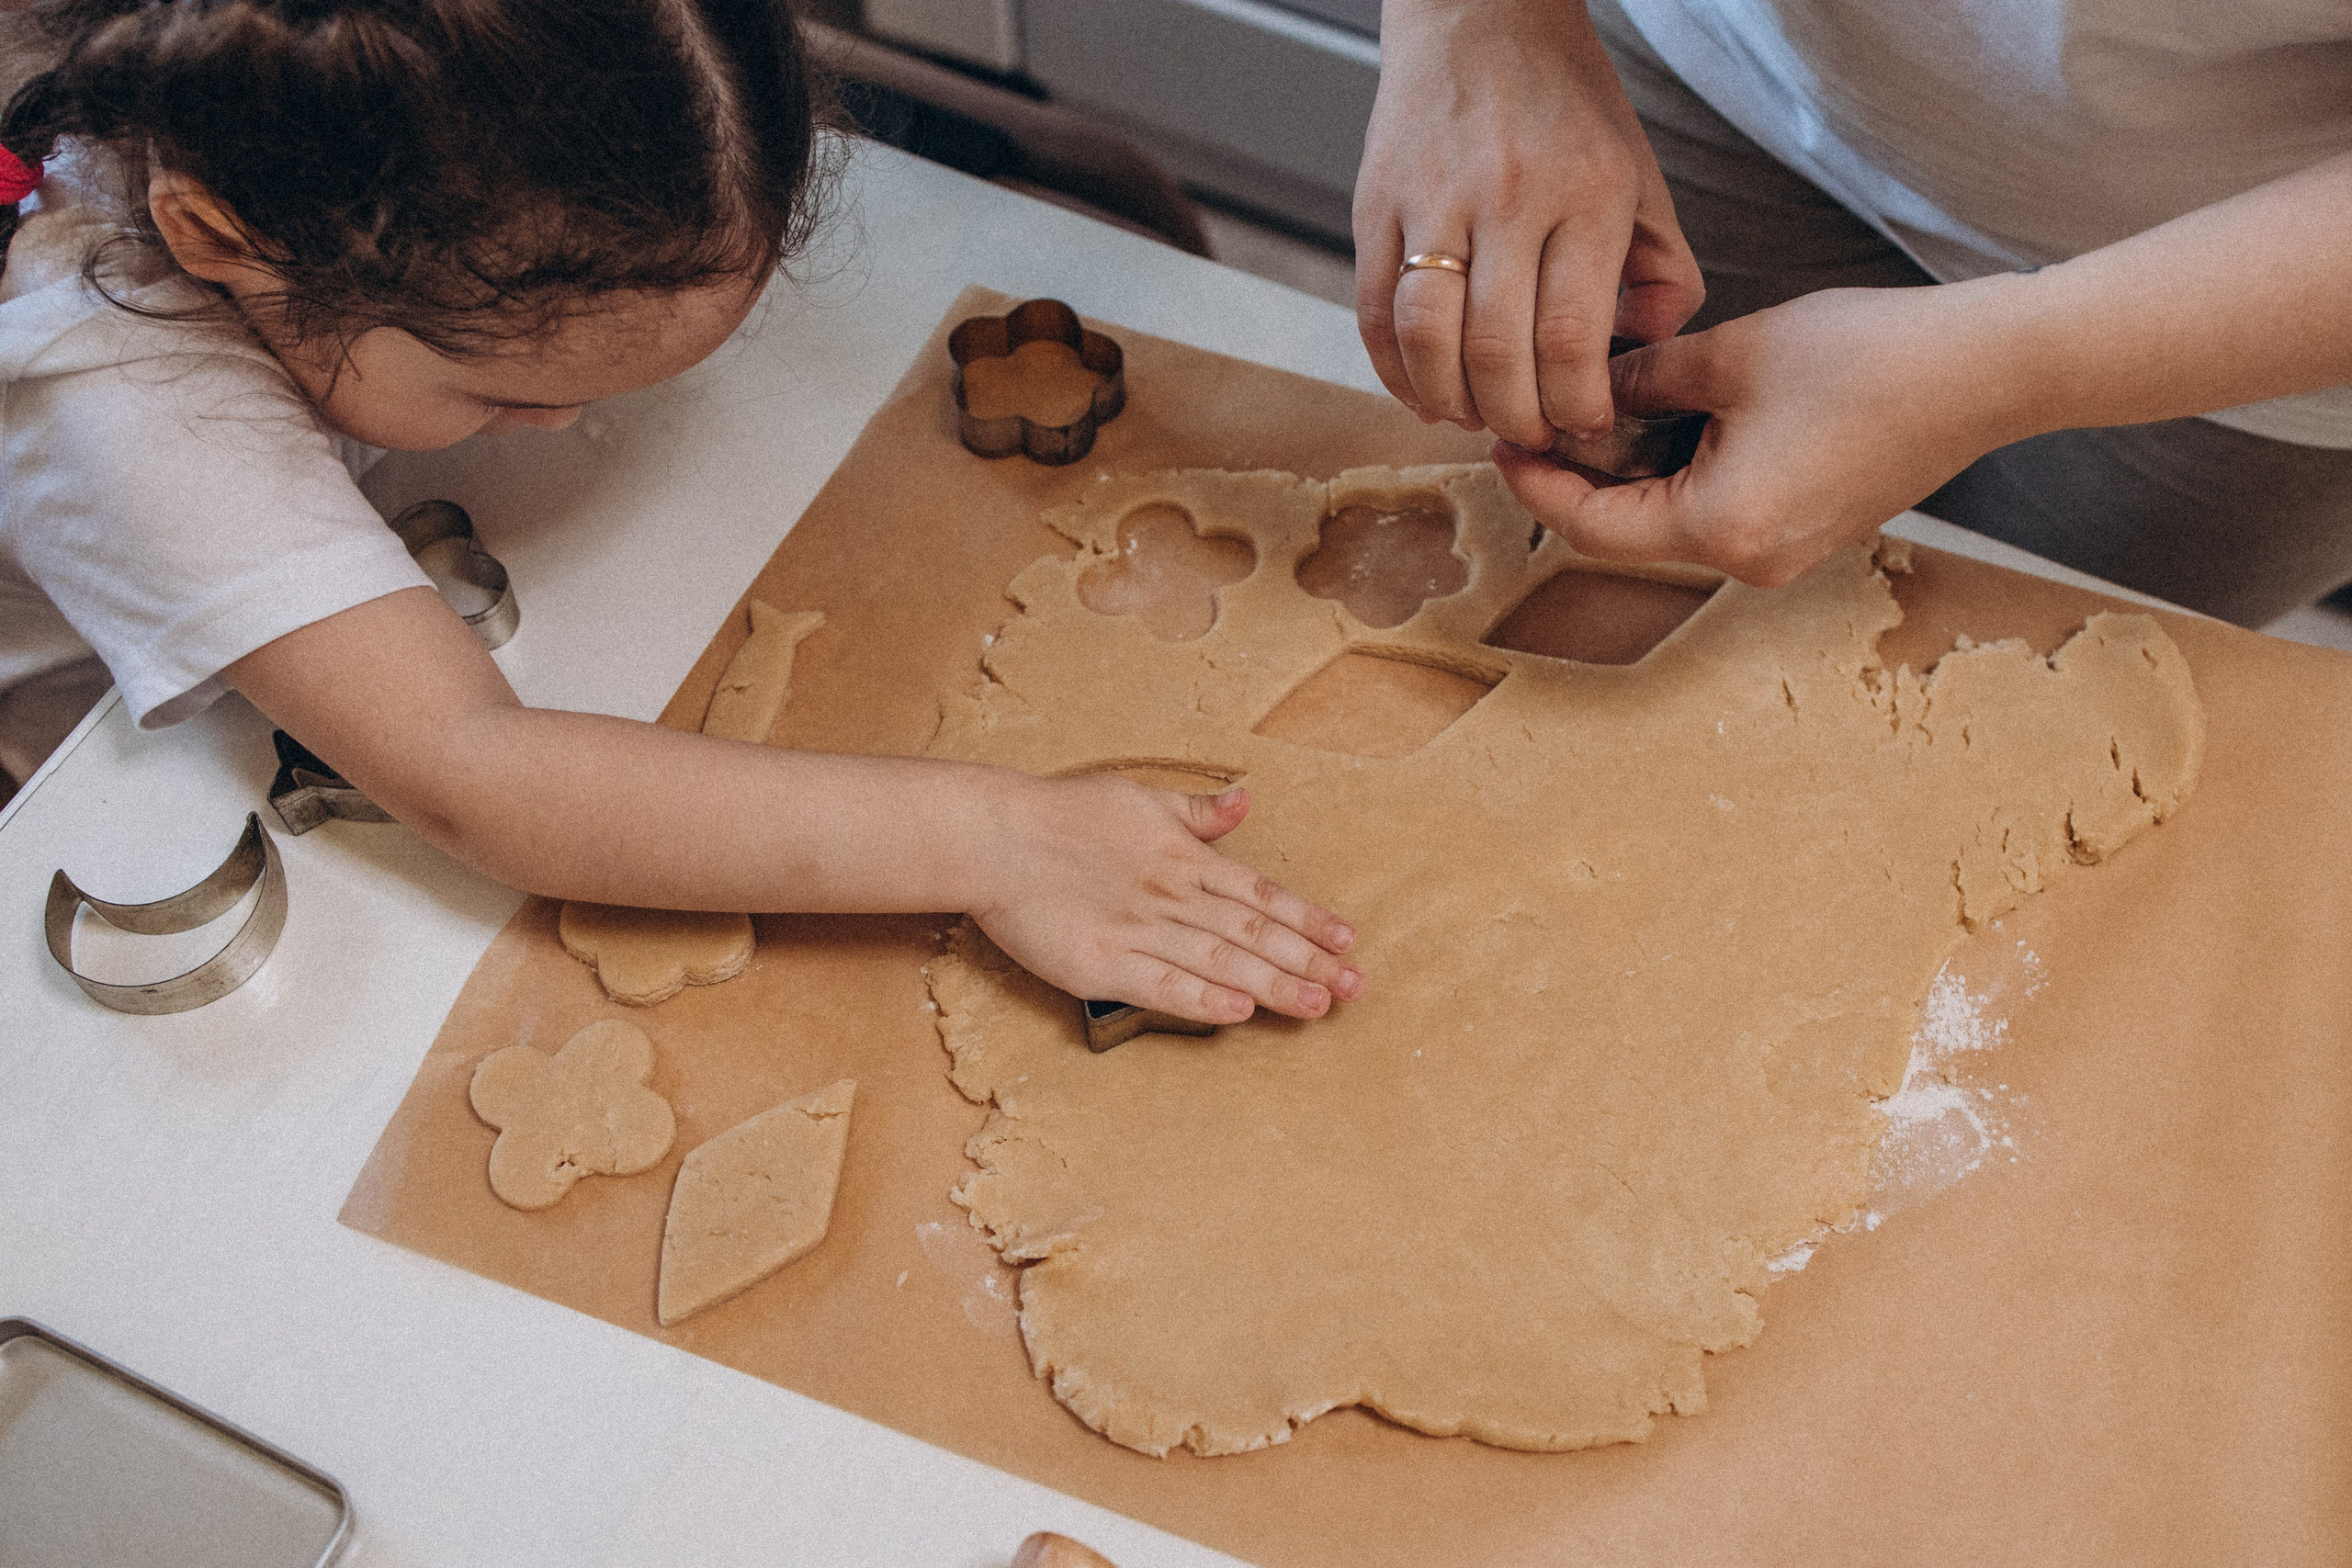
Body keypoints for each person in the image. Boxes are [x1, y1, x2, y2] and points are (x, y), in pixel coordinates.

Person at [0, 0, 1362, 1025]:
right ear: (222, 241)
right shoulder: (129, 412)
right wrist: (1002, 839)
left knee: (1098, 176)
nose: (564, 427)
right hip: (83, 707)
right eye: (499, 390)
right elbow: (479, 773)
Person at [1354, 0, 2352, 626]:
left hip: (2260, 294)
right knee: (1577, 602)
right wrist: (1477, 21)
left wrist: (2009, 364)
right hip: (1704, 71)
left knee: (1991, 706)